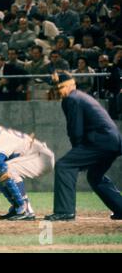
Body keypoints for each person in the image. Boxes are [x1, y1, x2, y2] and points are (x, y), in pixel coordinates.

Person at [45, 72, 122, 221]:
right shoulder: (80, 96)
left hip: (100, 141)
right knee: (95, 176)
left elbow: (76, 130)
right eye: (56, 87)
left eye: (61, 86)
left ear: (71, 85)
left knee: (64, 165)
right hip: (112, 141)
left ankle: (64, 212)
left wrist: (78, 152)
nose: (58, 90)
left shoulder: (71, 99)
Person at [0, 110, 54, 220]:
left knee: (5, 168)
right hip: (32, 156)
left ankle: (26, 209)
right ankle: (17, 207)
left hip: (42, 157)